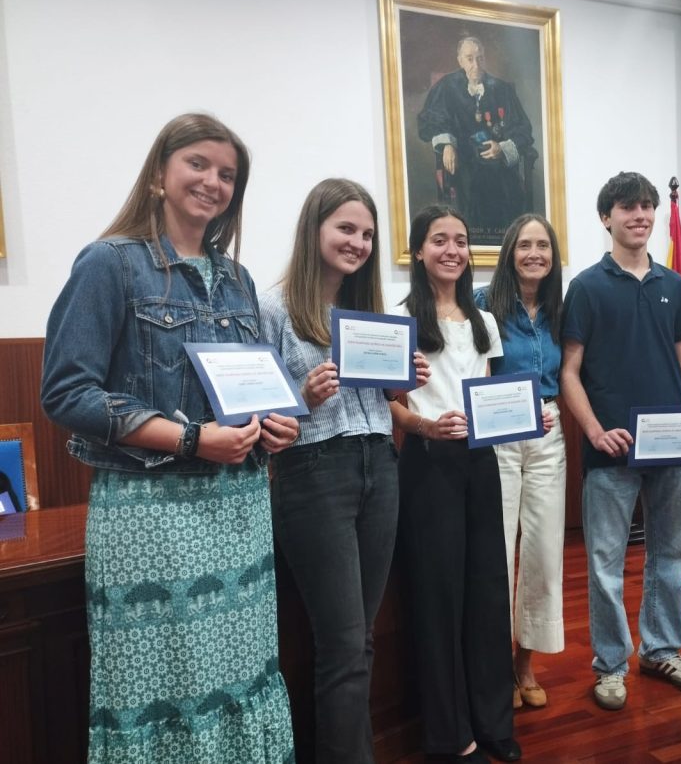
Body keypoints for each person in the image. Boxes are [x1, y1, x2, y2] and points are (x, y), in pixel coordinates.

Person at [40, 113, 297, 762]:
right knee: (165, 683)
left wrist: (275, 425)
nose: (213, 182)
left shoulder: (237, 279)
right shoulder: (110, 263)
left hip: (240, 511)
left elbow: (249, 391)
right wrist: (189, 439)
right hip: (153, 515)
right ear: (159, 173)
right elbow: (66, 392)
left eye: (227, 174)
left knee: (239, 673)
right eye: (198, 164)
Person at [260, 178, 429, 762]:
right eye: (346, 229)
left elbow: (386, 400)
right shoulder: (273, 307)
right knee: (341, 645)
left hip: (380, 463)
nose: (358, 242)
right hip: (313, 474)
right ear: (315, 229)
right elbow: (258, 414)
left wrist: (403, 382)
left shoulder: (369, 314)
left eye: (367, 234)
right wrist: (301, 396)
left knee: (362, 641)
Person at [560, 171, 681, 712]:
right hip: (611, 448)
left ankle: (661, 650)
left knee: (674, 553)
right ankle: (610, 665)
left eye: (647, 207)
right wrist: (594, 430)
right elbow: (569, 372)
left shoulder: (674, 285)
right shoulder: (586, 287)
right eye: (628, 207)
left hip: (674, 444)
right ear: (606, 217)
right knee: (606, 562)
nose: (641, 216)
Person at [390, 205, 520, 763]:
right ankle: (450, 736)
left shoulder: (483, 319)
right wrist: (425, 426)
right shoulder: (399, 319)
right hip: (426, 461)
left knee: (489, 589)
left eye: (461, 241)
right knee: (439, 597)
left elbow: (487, 392)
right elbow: (388, 403)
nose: (452, 250)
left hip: (480, 461)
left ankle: (494, 721)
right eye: (439, 240)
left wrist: (520, 418)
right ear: (419, 250)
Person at [474, 214, 565, 710]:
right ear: (509, 252)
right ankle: (493, 665)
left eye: (543, 246)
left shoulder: (559, 309)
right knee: (497, 551)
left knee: (543, 552)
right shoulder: (483, 304)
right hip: (498, 433)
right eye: (525, 245)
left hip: (548, 431)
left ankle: (525, 662)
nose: (535, 254)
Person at [417, 36, 534, 246]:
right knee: (469, 189)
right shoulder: (446, 87)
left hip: (499, 165)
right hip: (465, 163)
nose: (476, 65)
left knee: (509, 191)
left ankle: (505, 245)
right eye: (470, 59)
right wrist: (447, 144)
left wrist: (502, 148)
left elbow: (523, 129)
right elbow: (430, 120)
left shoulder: (502, 89)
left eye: (480, 58)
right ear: (460, 60)